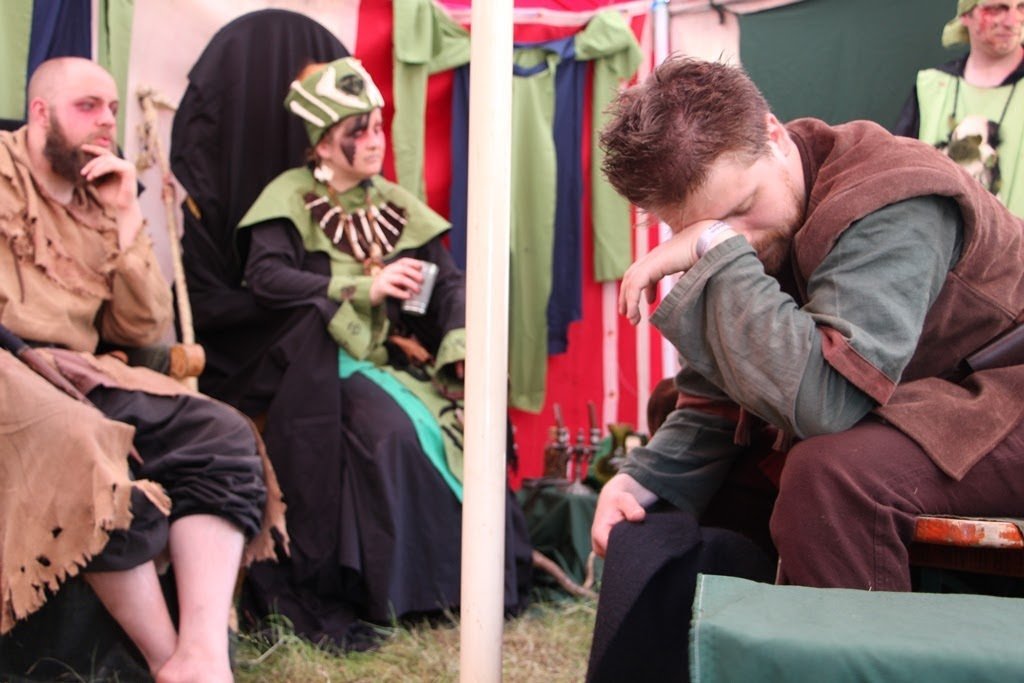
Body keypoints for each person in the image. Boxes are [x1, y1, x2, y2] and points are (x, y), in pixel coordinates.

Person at [586, 55, 1024, 681]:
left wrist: (714, 248)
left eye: (743, 207)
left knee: (834, 474)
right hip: (930, 406)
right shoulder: (767, 212)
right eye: (705, 228)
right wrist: (642, 481)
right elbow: (720, 395)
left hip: (1007, 397)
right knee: (678, 435)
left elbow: (829, 403)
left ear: (773, 133)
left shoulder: (893, 194)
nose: (736, 236)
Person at [0, 57, 285, 683]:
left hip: (82, 372)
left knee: (222, 436)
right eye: (87, 107)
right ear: (40, 112)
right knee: (86, 443)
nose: (107, 122)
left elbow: (142, 328)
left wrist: (127, 213)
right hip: (8, 369)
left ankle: (201, 654)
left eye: (110, 108)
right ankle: (165, 660)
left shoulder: (100, 194)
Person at [236, 57, 532, 648]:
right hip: (322, 367)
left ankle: (466, 587)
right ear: (324, 144)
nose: (376, 140)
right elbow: (265, 278)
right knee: (392, 435)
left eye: (378, 127)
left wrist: (463, 349)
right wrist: (359, 288)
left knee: (462, 428)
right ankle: (403, 594)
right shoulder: (287, 198)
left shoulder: (394, 203)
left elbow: (447, 284)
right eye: (360, 131)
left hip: (396, 362)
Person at [893, 0, 1024, 217]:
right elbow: (899, 175)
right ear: (966, 16)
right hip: (939, 235)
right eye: (997, 8)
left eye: (1021, 7)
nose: (1013, 21)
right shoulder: (931, 87)